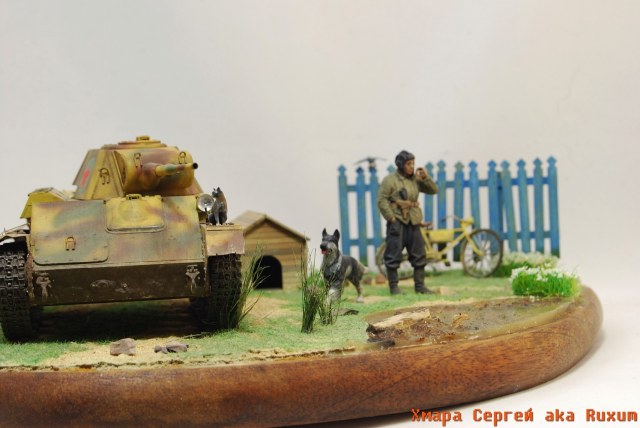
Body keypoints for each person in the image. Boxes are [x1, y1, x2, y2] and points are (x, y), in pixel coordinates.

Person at [377, 150, 438, 295]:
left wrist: (426, 177)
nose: (412, 167)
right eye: (408, 164)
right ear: (400, 165)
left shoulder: (415, 180)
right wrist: (391, 218)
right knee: (393, 254)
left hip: (413, 220)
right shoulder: (390, 180)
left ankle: (420, 286)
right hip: (397, 221)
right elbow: (381, 200)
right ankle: (394, 287)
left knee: (419, 254)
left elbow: (433, 190)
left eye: (413, 163)